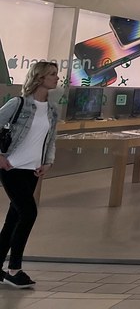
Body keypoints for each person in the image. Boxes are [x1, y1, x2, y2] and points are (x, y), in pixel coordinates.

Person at [0, 60, 59, 289]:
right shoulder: (18, 104)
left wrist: (48, 162)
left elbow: (50, 140)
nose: (56, 78)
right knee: (29, 212)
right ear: (39, 78)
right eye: (52, 74)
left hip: (32, 171)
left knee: (13, 219)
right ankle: (14, 269)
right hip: (12, 168)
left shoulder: (52, 110)